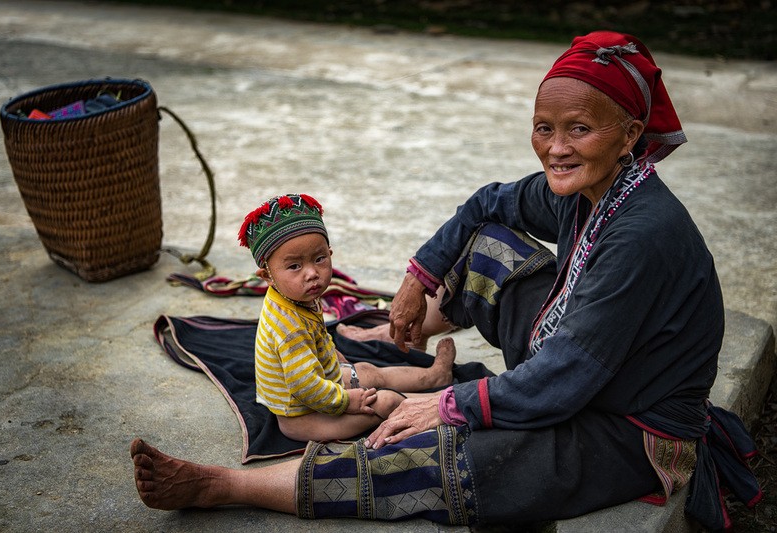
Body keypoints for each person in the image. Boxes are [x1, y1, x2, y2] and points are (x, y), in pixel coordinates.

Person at [131, 31, 759, 530]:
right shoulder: (588, 191)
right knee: (486, 247)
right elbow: (489, 203)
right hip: (586, 367)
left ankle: (225, 485)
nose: (557, 149)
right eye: (545, 128)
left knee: (445, 459)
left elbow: (567, 376)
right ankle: (396, 333)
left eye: (580, 130)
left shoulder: (641, 235)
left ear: (628, 137)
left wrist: (450, 403)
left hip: (625, 422)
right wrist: (416, 278)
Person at [237, 193, 456, 442]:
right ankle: (446, 403)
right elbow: (305, 387)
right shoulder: (288, 328)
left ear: (330, 254)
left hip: (321, 386)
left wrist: (338, 361)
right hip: (304, 417)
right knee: (385, 401)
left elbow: (318, 337)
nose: (311, 273)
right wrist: (345, 402)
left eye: (319, 259)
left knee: (368, 371)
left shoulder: (295, 295)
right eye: (294, 266)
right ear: (267, 276)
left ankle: (435, 377)